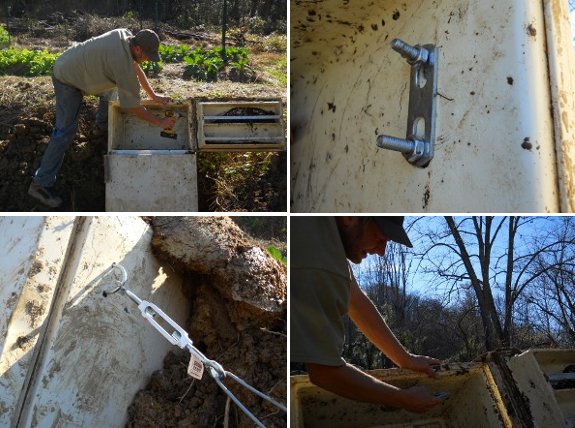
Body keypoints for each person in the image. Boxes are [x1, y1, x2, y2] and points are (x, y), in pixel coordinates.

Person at [291, 216, 443, 413]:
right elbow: (324, 372)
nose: (381, 252)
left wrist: (406, 359)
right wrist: (402, 398)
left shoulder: (326, 236)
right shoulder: (324, 264)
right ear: (350, 217)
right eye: (379, 238)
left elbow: (355, 301)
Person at [28, 28, 176, 208]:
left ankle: (100, 127)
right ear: (137, 49)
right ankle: (40, 184)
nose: (147, 60)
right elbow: (133, 107)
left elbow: (135, 69)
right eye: (147, 56)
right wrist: (160, 122)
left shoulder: (125, 35)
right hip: (67, 77)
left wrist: (153, 96)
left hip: (80, 67)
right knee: (65, 131)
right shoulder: (121, 62)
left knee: (113, 91)